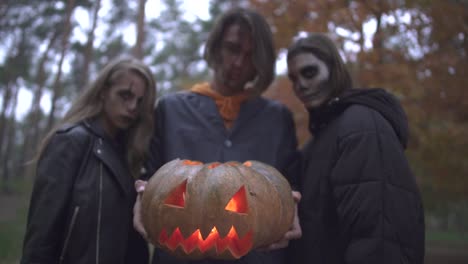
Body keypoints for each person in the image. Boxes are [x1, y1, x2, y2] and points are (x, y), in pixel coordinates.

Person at [134, 7, 301, 264]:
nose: (239, 63)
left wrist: (292, 206)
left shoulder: (277, 119)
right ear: (216, 47)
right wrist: (142, 195)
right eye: (233, 49)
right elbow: (152, 177)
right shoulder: (172, 109)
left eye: (251, 56)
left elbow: (288, 186)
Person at [285, 33, 425, 264]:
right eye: (293, 78)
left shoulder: (362, 126)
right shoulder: (320, 139)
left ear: (334, 69)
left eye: (309, 72)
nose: (301, 85)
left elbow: (379, 239)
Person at [21, 56, 156, 264]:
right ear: (103, 92)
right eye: (125, 95)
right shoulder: (70, 142)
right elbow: (42, 236)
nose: (132, 107)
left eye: (139, 101)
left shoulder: (130, 156)